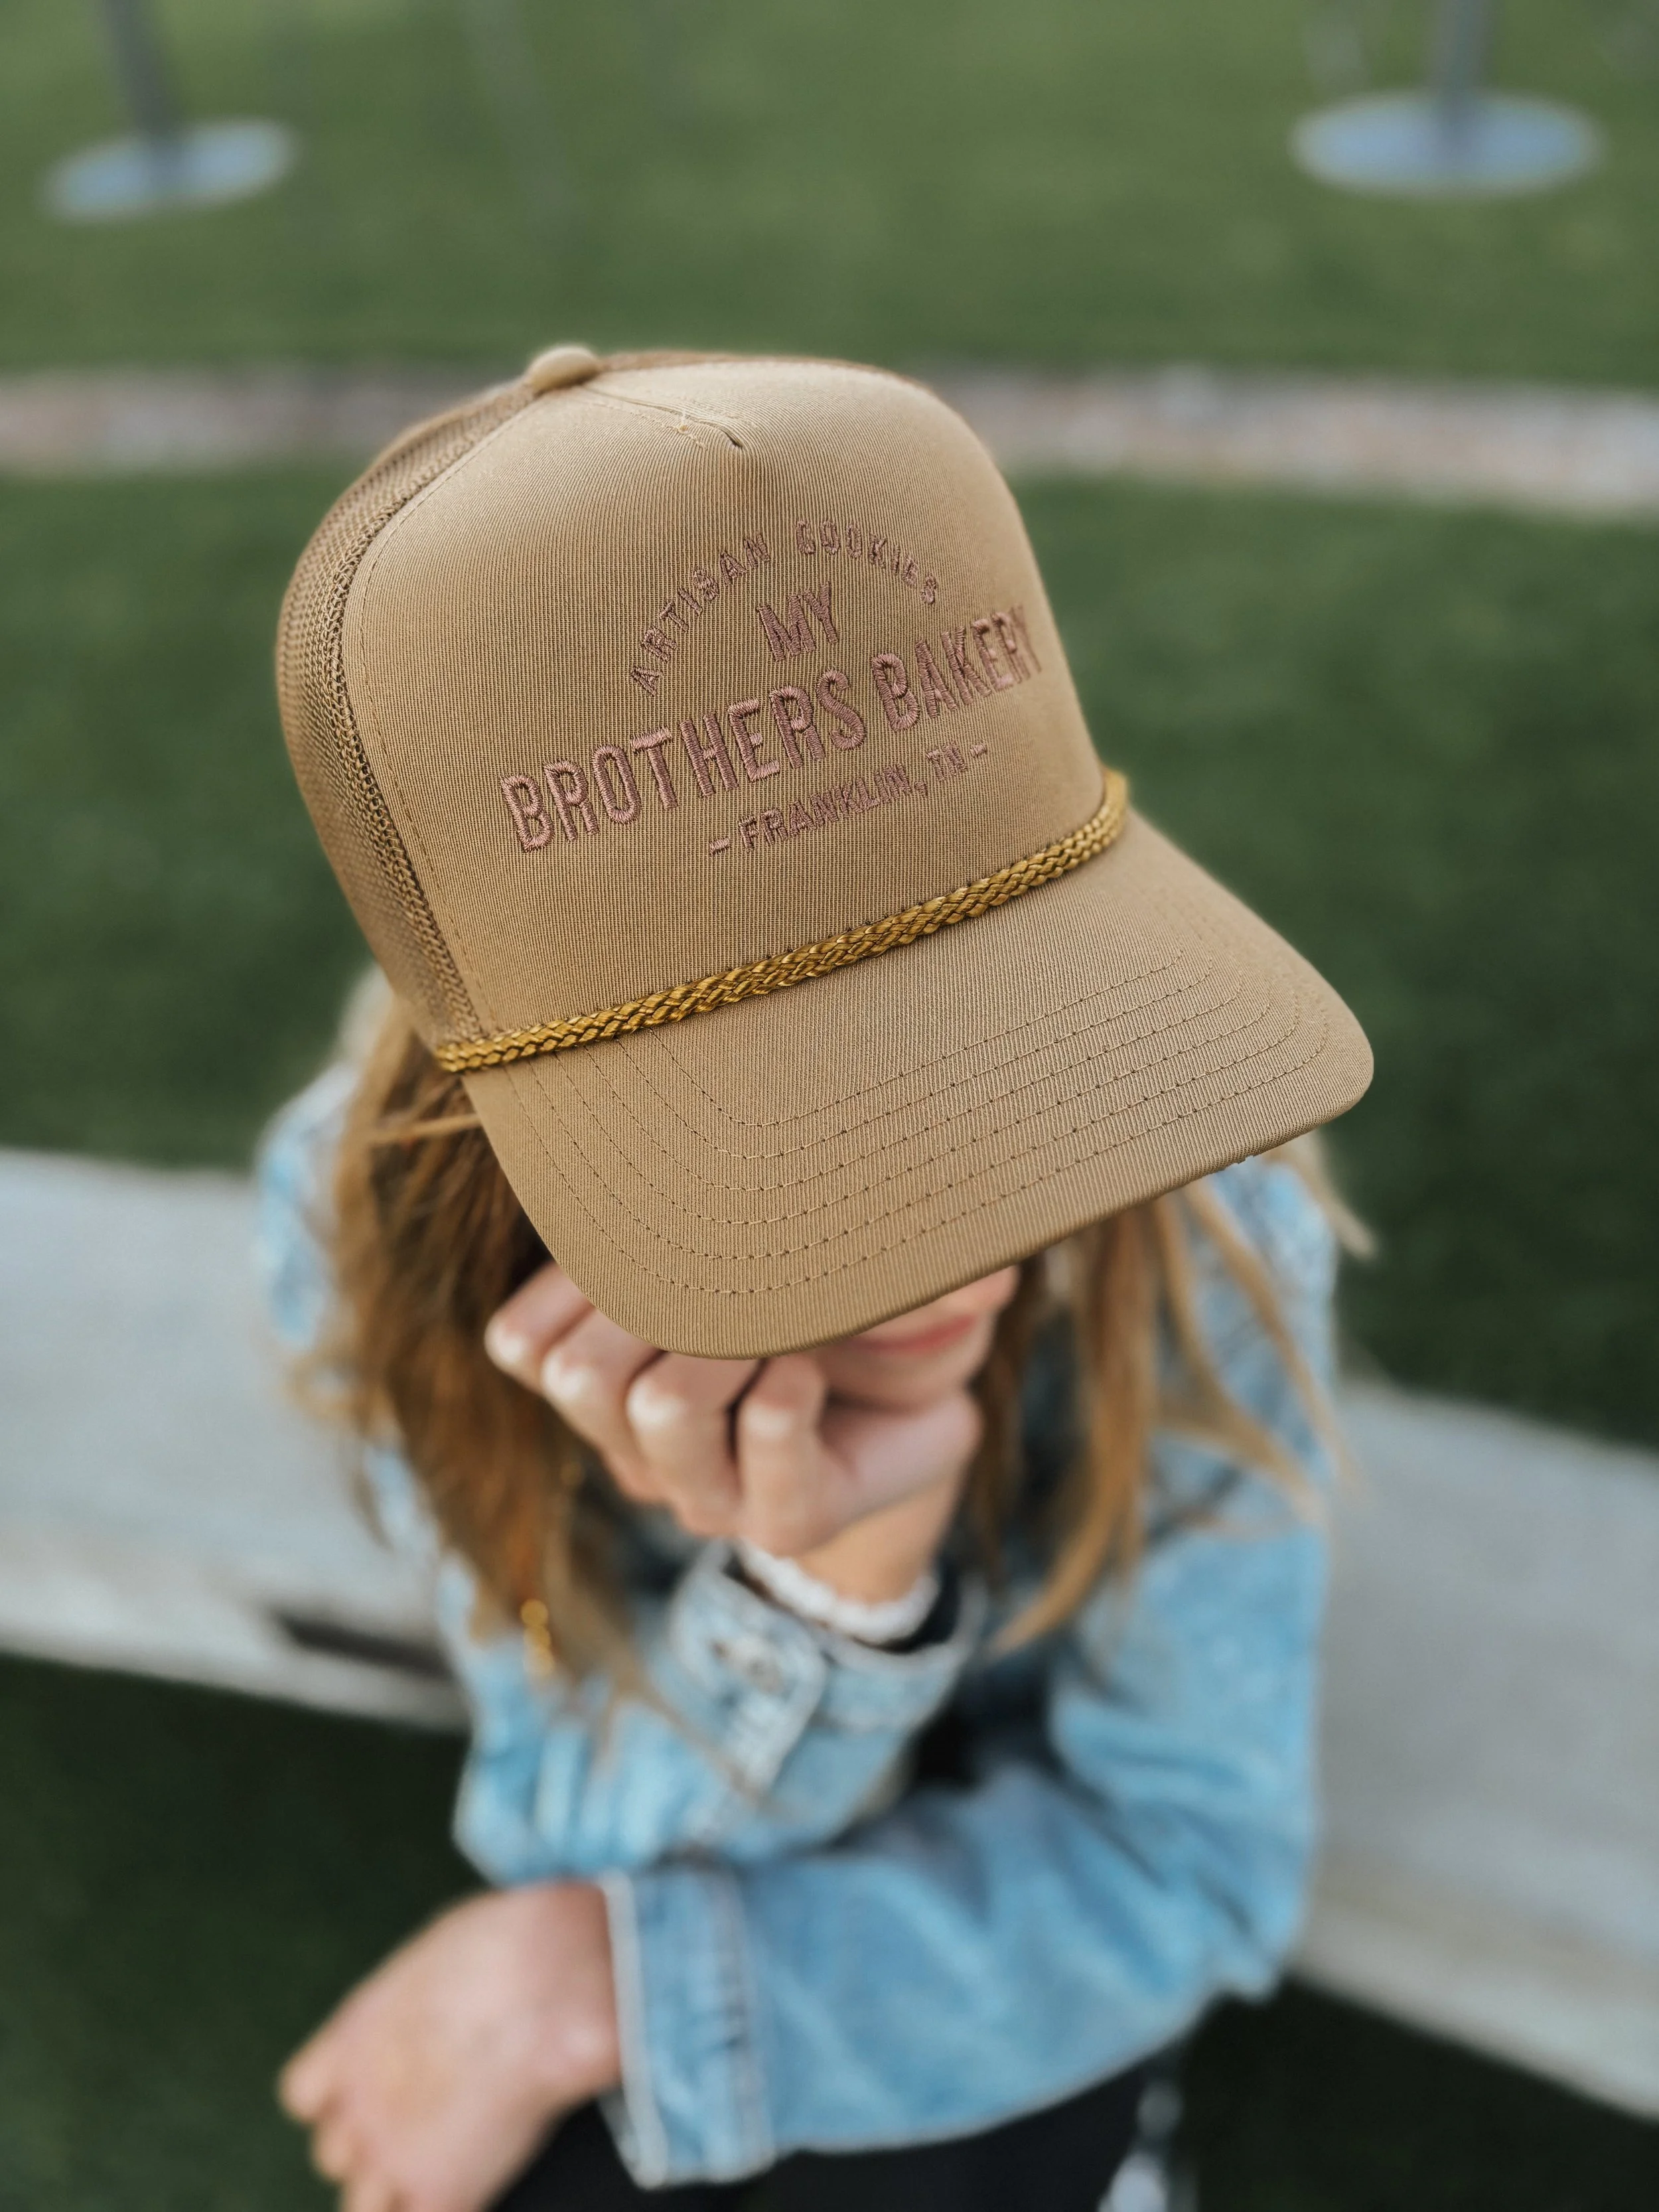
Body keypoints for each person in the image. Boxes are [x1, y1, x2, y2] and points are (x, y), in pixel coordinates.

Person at [257, 345, 1373, 2212]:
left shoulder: (1206, 1204)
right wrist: (828, 1586)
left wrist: (606, 1983)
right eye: (777, 1114)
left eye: (1010, 1021)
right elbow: (555, 1807)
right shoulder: (360, 1219)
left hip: (1020, 1929)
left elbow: (1185, 1861)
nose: (954, 1211)